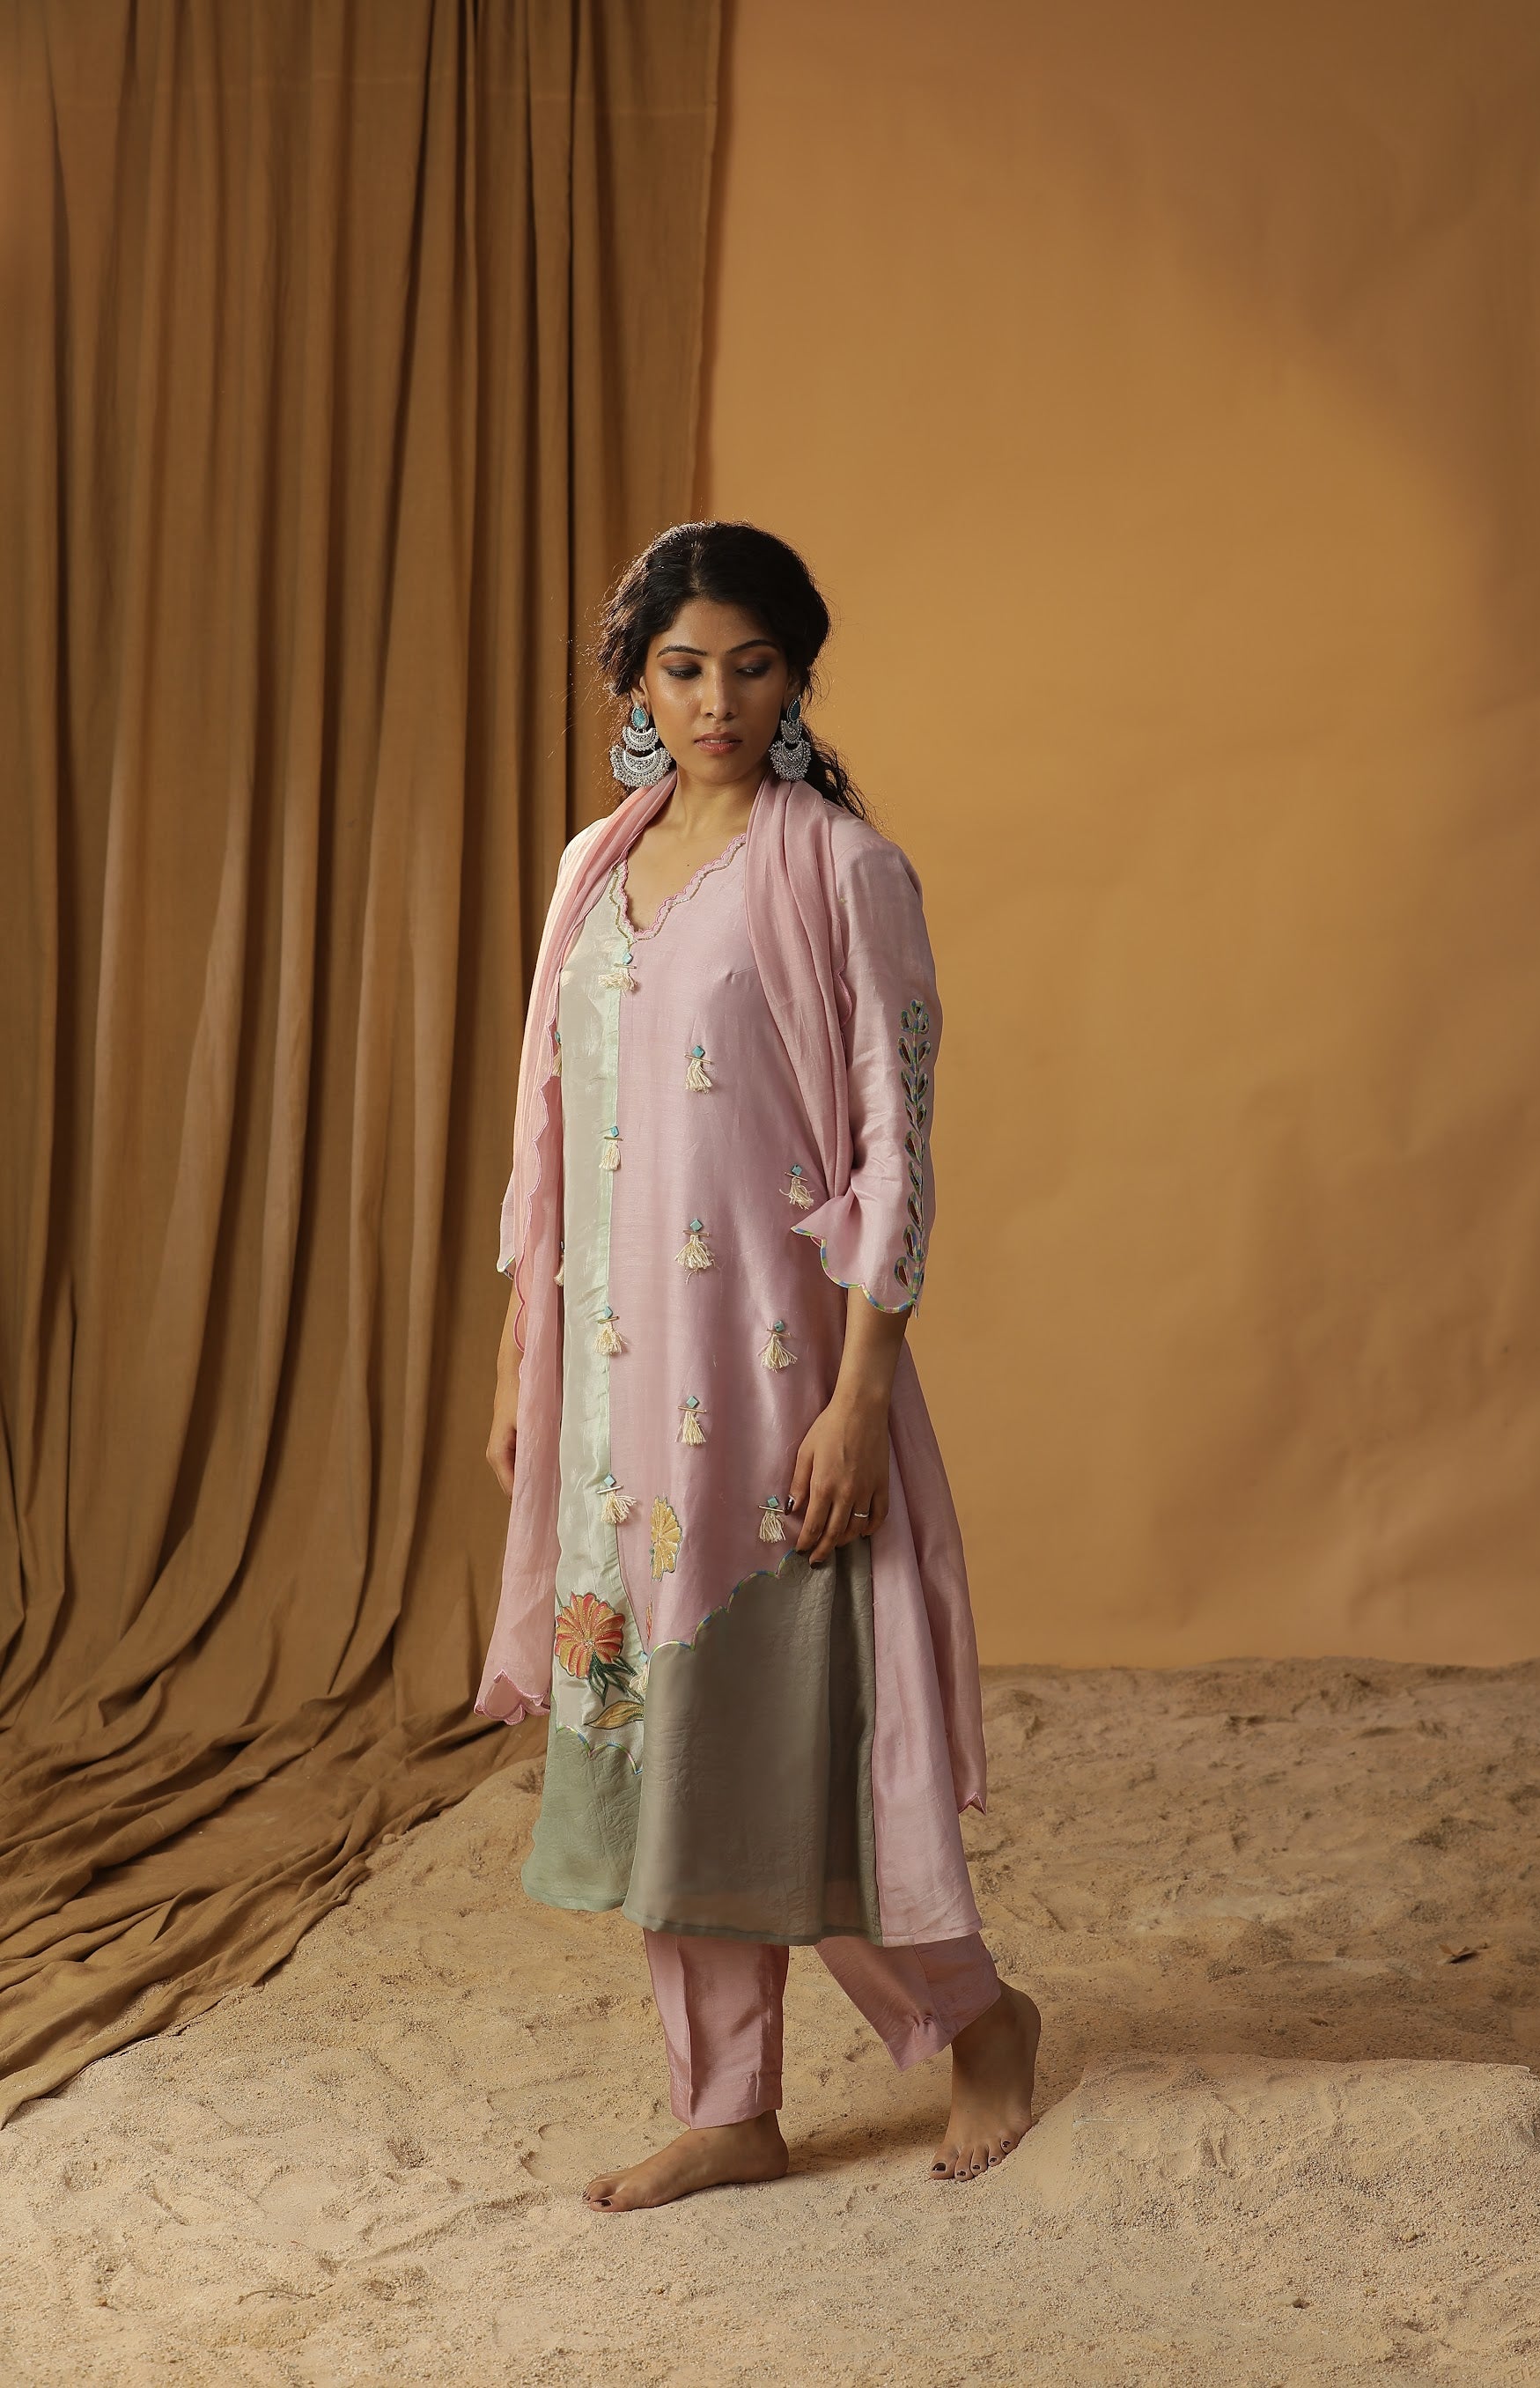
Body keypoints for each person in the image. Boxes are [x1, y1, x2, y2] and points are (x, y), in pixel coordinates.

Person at [479, 520, 1039, 2211]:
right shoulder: (593, 871)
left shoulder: (843, 872)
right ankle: (728, 2102)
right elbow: (553, 1137)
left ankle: (978, 2017)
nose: (716, 700)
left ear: (795, 679)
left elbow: (897, 1147)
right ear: (633, 685)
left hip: (782, 1377)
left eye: (751, 667)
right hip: (615, 1390)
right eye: (683, 669)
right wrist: (521, 1366)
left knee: (803, 1728)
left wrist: (863, 1395)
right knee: (667, 1743)